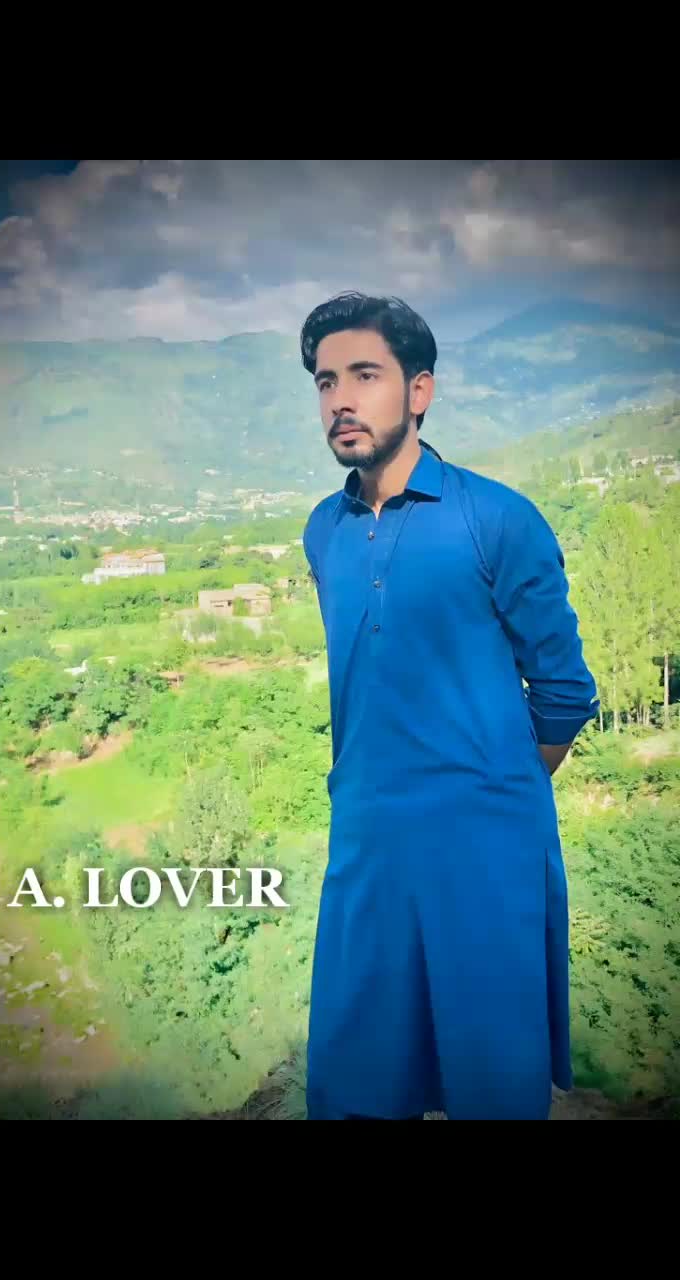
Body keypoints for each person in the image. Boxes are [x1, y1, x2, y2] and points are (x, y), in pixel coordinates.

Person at [299, 291, 600, 1121]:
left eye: (365, 375)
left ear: (420, 390)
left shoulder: (496, 519)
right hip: (366, 839)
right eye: (326, 382)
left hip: (485, 852)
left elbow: (565, 691)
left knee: (492, 1083)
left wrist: (493, 786)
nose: (341, 399)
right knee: (358, 1076)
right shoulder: (324, 530)